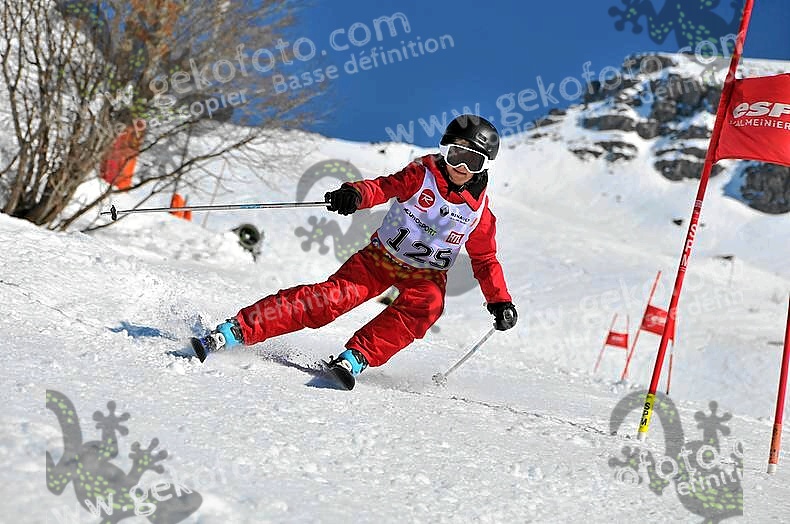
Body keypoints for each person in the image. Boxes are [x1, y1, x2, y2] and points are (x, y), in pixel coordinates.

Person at [192, 114, 517, 388]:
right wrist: (355, 195)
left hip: (426, 275)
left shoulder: (479, 215)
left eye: (472, 160)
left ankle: (357, 357)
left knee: (428, 305)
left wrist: (499, 300)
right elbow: (383, 187)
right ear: (444, 150)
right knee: (330, 300)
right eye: (455, 154)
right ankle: (238, 329)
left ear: (484, 166)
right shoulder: (421, 176)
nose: (461, 165)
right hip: (380, 259)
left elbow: (485, 260)